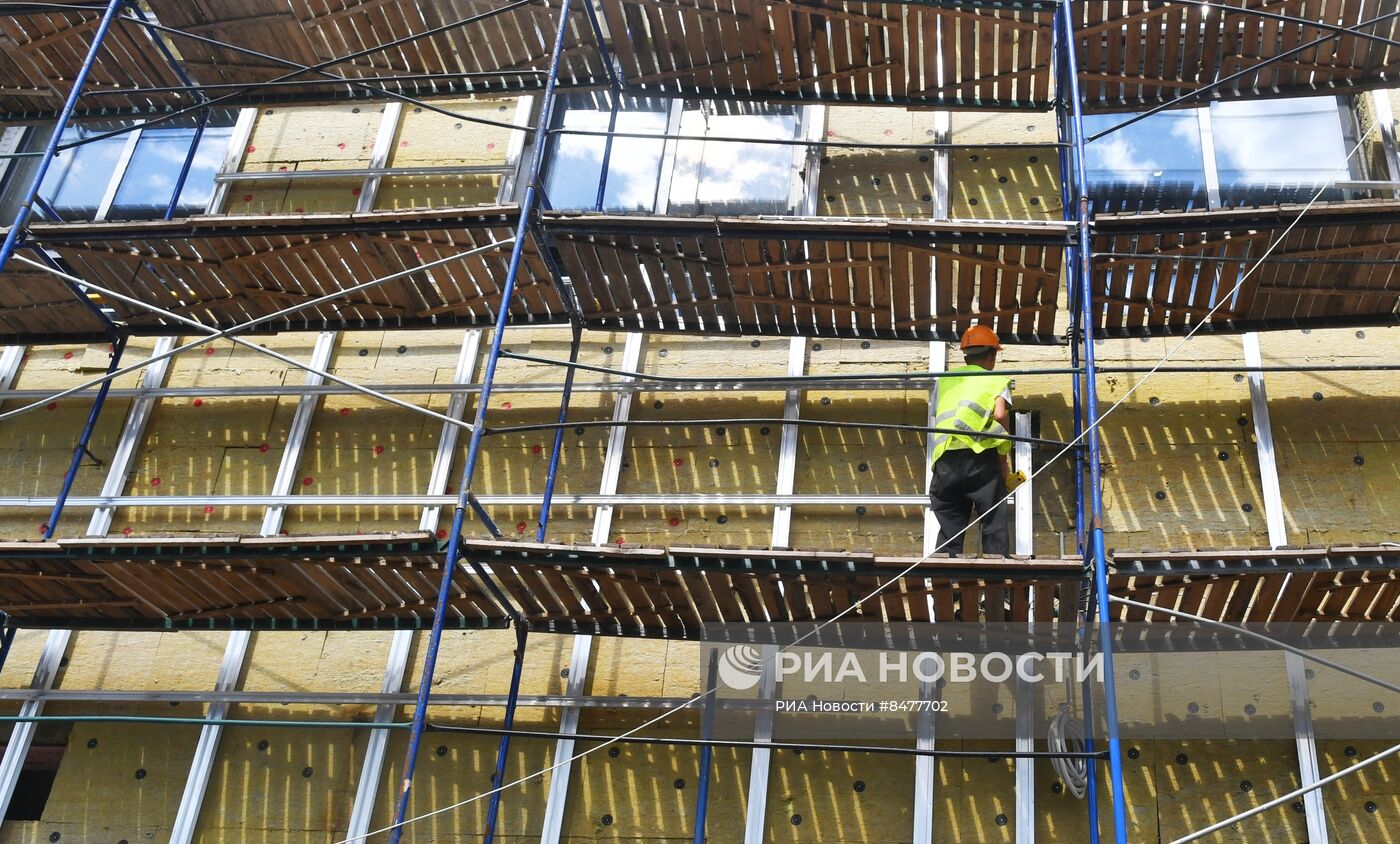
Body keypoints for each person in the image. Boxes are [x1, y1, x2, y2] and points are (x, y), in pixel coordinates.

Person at [928, 325, 1014, 556]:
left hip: (945, 460)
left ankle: (945, 586)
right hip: (980, 460)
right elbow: (999, 415)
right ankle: (998, 586)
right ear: (993, 355)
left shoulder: (944, 381)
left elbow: (939, 414)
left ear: (966, 355)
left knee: (950, 528)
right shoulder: (996, 381)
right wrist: (1004, 462)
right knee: (994, 521)